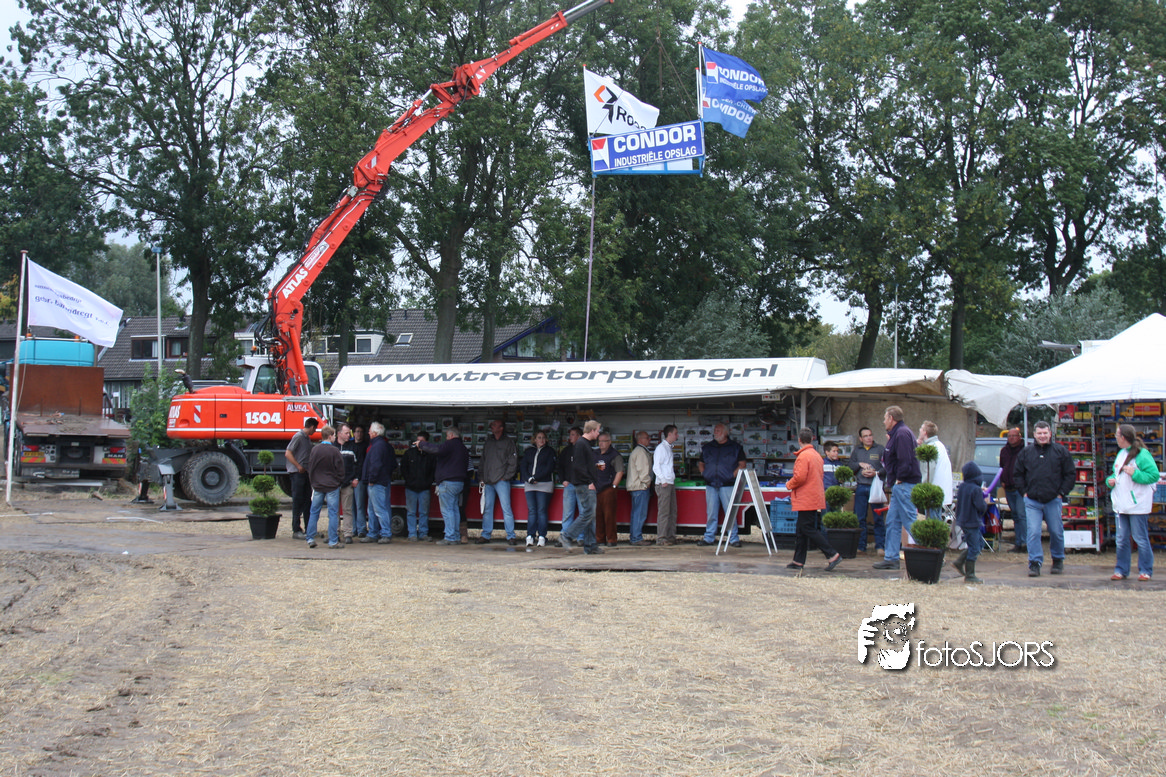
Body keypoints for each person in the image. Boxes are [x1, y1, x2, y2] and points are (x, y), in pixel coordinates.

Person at [1012, 421, 1075, 577]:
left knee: (1056, 531)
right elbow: (1017, 474)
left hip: (1053, 500)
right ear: (1034, 435)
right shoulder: (1026, 452)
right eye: (1039, 433)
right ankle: (1035, 563)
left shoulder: (1060, 451)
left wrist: (1062, 492)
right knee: (1033, 532)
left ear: (1050, 434)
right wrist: (1024, 492)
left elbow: (1070, 474)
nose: (1042, 436)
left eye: (1045, 433)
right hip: (1032, 500)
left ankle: (1058, 560)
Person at [784, 427, 842, 572]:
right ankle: (798, 561)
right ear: (812, 439)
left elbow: (800, 477)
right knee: (801, 529)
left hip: (805, 497)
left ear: (799, 440)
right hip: (814, 496)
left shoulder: (803, 456)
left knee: (807, 528)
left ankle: (832, 554)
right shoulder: (816, 455)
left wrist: (789, 484)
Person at [1107, 423, 1160, 581]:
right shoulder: (1121, 453)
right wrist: (1110, 480)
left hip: (1137, 505)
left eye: (1117, 435)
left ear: (1123, 437)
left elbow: (1154, 475)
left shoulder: (1142, 454)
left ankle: (1145, 570)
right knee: (1121, 539)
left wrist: (1135, 474)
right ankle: (1121, 570)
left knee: (1140, 538)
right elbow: (1115, 474)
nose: (1116, 438)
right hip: (1121, 505)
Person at [874, 406, 922, 570]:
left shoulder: (901, 434)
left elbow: (905, 459)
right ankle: (891, 557)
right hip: (899, 485)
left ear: (891, 418)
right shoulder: (898, 434)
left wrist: (900, 478)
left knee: (910, 521)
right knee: (892, 522)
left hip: (904, 484)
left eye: (885, 418)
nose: (883, 421)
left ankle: (930, 550)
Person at [418, 427, 470, 546]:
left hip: (448, 482)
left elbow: (436, 449)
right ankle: (456, 535)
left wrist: (421, 444)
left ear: (451, 435)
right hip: (459, 482)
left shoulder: (450, 444)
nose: (446, 439)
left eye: (446, 436)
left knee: (447, 510)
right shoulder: (463, 447)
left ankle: (450, 537)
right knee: (455, 510)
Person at [697, 423, 746, 548]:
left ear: (726, 432)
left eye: (718, 430)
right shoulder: (708, 447)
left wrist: (731, 476)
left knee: (730, 513)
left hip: (727, 485)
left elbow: (742, 464)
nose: (715, 432)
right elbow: (701, 463)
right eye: (715, 430)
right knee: (711, 513)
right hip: (711, 485)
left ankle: (733, 538)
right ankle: (709, 538)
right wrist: (704, 473)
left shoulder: (735, 447)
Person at [559, 419, 604, 554]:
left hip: (585, 483)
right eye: (597, 431)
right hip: (584, 485)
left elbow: (583, 465)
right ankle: (566, 536)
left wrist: (595, 467)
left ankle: (590, 545)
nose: (598, 434)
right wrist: (589, 481)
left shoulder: (583, 444)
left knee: (590, 515)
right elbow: (578, 467)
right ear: (592, 430)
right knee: (587, 513)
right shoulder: (581, 444)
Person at [477, 420, 519, 545]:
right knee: (487, 509)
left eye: (494, 425)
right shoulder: (488, 442)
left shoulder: (508, 442)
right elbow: (483, 460)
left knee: (506, 508)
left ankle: (511, 536)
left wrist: (505, 477)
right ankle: (485, 535)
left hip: (501, 481)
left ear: (501, 428)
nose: (492, 427)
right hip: (488, 481)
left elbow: (513, 462)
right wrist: (481, 477)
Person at [305, 425, 345, 549]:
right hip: (332, 485)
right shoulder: (335, 451)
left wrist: (313, 481)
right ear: (330, 436)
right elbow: (340, 469)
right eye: (334, 435)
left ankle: (310, 538)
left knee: (314, 512)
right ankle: (333, 541)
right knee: (333, 513)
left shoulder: (315, 450)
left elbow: (310, 467)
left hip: (318, 485)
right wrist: (338, 481)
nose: (335, 437)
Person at [848, 426, 885, 554]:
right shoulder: (856, 451)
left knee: (878, 517)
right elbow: (850, 466)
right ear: (860, 438)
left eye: (870, 435)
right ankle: (861, 546)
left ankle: (880, 546)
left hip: (876, 486)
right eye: (865, 436)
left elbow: (887, 467)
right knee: (859, 518)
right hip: (861, 486)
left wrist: (876, 473)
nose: (869, 438)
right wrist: (859, 464)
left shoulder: (880, 449)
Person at [951, 461, 988, 583]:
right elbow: (981, 506)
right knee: (975, 548)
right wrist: (985, 502)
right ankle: (970, 575)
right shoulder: (976, 490)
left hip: (963, 521)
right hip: (972, 521)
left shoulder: (962, 487)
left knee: (978, 544)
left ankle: (959, 562)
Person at [360, 421, 397, 544]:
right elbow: (393, 464)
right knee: (377, 508)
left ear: (375, 433)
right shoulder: (385, 445)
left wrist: (372, 479)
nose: (368, 432)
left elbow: (375, 464)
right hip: (383, 481)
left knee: (379, 509)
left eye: (370, 431)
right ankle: (374, 533)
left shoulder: (376, 446)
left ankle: (384, 533)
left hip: (376, 482)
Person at [284, 417, 318, 539]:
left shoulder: (307, 438)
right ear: (312, 427)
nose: (315, 431)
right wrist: (298, 466)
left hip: (305, 473)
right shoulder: (298, 437)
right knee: (298, 501)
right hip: (297, 473)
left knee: (307, 500)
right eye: (315, 429)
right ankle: (296, 529)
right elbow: (288, 453)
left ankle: (309, 528)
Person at [521, 430, 556, 547]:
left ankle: (541, 536)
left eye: (543, 438)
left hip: (544, 484)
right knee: (532, 510)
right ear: (534, 439)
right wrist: (528, 478)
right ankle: (530, 536)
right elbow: (523, 466)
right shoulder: (529, 451)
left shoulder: (550, 451)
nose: (542, 440)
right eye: (539, 438)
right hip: (530, 484)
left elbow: (549, 468)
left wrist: (536, 477)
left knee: (541, 510)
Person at [400, 430, 436, 541]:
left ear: (427, 442)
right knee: (411, 512)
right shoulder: (409, 453)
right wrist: (409, 480)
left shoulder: (430, 455)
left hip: (424, 488)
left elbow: (433, 471)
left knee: (423, 512)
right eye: (417, 440)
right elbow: (403, 468)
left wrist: (428, 482)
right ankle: (412, 534)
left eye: (421, 441)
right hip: (411, 488)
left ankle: (423, 533)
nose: (418, 443)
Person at [594, 431, 625, 547]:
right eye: (599, 441)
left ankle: (611, 539)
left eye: (604, 441)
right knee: (597, 516)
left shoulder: (615, 455)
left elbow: (620, 471)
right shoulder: (595, 453)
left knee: (609, 516)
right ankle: (600, 539)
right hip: (596, 489)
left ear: (610, 442)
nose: (601, 443)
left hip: (608, 489)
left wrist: (614, 486)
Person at [917, 420, 953, 518]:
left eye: (921, 428)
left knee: (932, 521)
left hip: (932, 492)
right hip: (940, 490)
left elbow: (928, 471)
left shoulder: (930, 448)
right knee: (936, 519)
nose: (919, 430)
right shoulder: (939, 445)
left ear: (925, 432)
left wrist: (923, 490)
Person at [999, 427, 1027, 553]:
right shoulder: (1004, 451)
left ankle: (1025, 543)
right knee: (1015, 516)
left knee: (1022, 515)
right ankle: (1018, 543)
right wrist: (1002, 480)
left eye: (1014, 436)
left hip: (1020, 489)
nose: (1011, 438)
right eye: (1009, 436)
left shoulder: (1025, 450)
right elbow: (1002, 467)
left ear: (1019, 437)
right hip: (1008, 488)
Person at [625, 431, 654, 545]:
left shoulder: (638, 451)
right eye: (647, 438)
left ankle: (634, 536)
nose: (649, 440)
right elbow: (643, 471)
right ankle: (636, 538)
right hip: (640, 487)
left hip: (636, 487)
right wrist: (647, 483)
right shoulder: (641, 452)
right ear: (640, 440)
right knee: (639, 514)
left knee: (636, 513)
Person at [653, 425, 679, 546]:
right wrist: (663, 480)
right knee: (664, 512)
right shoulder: (661, 448)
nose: (677, 436)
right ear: (669, 434)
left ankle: (670, 536)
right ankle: (661, 538)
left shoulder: (667, 447)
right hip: (664, 483)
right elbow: (656, 467)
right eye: (675, 433)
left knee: (672, 511)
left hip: (669, 482)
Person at [558, 426, 583, 539]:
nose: (570, 437)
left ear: (579, 436)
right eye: (570, 434)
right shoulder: (566, 451)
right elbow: (560, 466)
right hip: (569, 485)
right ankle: (565, 536)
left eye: (573, 434)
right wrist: (563, 479)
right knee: (567, 513)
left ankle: (581, 537)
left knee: (583, 513)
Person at [337, 423, 359, 544]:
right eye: (346, 433)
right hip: (334, 484)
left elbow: (357, 465)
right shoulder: (332, 447)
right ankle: (334, 532)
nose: (348, 435)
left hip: (348, 483)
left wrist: (356, 478)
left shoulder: (353, 447)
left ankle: (348, 534)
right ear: (339, 434)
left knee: (347, 509)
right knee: (334, 510)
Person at [351, 425, 370, 539]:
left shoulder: (365, 446)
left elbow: (363, 464)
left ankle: (362, 529)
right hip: (350, 479)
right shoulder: (350, 445)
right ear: (354, 433)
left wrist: (358, 478)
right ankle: (353, 529)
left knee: (360, 505)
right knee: (351, 507)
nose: (359, 434)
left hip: (360, 480)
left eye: (361, 432)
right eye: (357, 431)